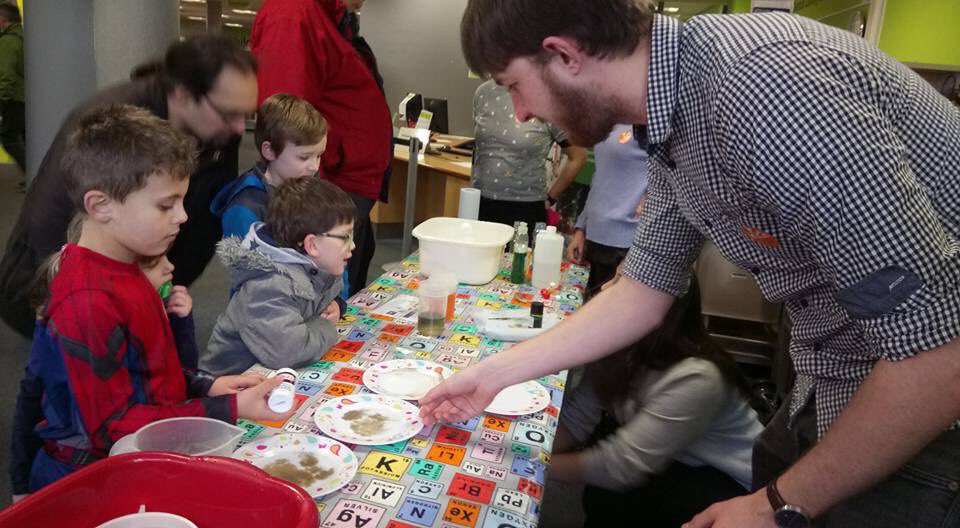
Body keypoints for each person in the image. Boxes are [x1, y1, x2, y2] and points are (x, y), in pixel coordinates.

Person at [421, 2, 960, 527]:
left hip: (926, 406)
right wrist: (492, 375)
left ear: (563, 54)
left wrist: (777, 506)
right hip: (830, 374)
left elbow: (938, 351)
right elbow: (640, 292)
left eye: (512, 84)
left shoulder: (764, 87)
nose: (519, 113)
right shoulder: (675, 115)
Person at [11, 105, 291, 496]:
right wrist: (227, 410)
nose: (182, 216)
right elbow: (113, 425)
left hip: (143, 456)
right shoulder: (88, 300)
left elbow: (149, 377)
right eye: (166, 205)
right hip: (92, 483)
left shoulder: (131, 268)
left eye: (181, 201)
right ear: (100, 205)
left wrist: (208, 387)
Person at [0, 33, 258, 340]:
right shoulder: (106, 123)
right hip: (60, 295)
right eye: (230, 114)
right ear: (183, 94)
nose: (241, 127)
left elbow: (207, 211)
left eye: (246, 114)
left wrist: (158, 293)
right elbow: (50, 220)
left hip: (141, 292)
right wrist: (95, 309)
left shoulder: (218, 131)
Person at [552, 277, 763, 527]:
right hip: (666, 458)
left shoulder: (697, 377)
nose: (605, 289)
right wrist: (521, 449)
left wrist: (537, 466)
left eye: (620, 283)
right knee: (603, 500)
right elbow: (576, 419)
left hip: (721, 481)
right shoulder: (618, 347)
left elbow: (619, 465)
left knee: (618, 499)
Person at [251, 0, 392, 296]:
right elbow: (284, 122)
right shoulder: (294, 13)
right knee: (317, 300)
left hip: (340, 190)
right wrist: (308, 197)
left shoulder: (332, 18)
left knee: (342, 295)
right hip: (326, 191)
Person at [201, 177, 355, 377]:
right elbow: (290, 352)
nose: (352, 246)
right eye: (346, 237)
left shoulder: (319, 267)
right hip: (230, 390)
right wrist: (326, 326)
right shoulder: (268, 286)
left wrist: (335, 304)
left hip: (268, 376)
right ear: (313, 245)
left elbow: (316, 302)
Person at [471, 79, 588, 229]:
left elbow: (578, 157)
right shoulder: (483, 93)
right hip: (480, 206)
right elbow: (481, 150)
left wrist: (551, 197)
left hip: (524, 211)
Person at [566, 124, 648, 299]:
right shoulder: (614, 119)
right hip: (596, 235)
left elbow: (668, 180)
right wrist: (581, 228)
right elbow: (601, 175)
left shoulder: (654, 119)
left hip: (628, 242)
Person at [0, 2, 24, 175]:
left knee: (8, 137)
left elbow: (5, 72)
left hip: (13, 97)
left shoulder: (8, 41)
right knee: (25, 137)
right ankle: (34, 174)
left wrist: (3, 98)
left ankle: (31, 175)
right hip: (24, 97)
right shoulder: (23, 36)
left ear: (3, 18)